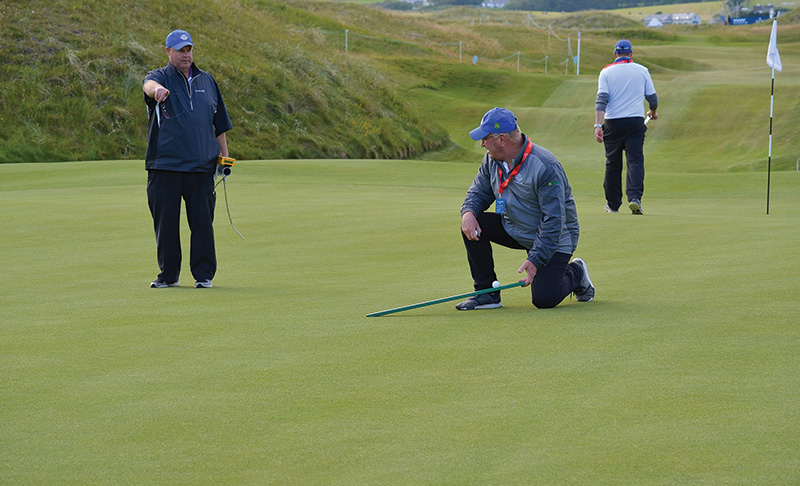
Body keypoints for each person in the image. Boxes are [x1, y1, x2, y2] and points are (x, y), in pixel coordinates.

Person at [457, 107, 594, 310]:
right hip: (515, 227)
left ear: (502, 139)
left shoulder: (545, 166)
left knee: (544, 299)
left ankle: (577, 271)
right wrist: (468, 213)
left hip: (555, 239)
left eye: (485, 138)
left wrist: (535, 259)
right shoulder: (491, 160)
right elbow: (479, 192)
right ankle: (487, 294)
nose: (482, 144)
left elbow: (554, 220)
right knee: (474, 224)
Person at [143, 29, 233, 288]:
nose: (186, 55)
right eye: (180, 50)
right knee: (166, 224)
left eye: (189, 50)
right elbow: (147, 86)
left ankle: (203, 275)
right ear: (168, 51)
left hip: (201, 166)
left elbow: (219, 125)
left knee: (203, 224)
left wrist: (224, 159)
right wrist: (157, 90)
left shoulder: (207, 81)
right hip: (165, 165)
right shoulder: (159, 77)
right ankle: (168, 275)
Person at [594, 39, 658, 215]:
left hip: (613, 122)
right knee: (635, 160)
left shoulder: (606, 72)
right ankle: (635, 198)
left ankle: (613, 205)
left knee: (613, 164)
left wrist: (598, 125)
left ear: (615, 54)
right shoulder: (642, 70)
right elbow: (652, 98)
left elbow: (602, 100)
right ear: (631, 54)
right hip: (635, 122)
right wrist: (652, 111)